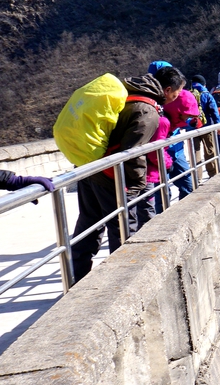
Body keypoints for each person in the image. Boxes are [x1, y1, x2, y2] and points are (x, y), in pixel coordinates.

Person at [71, 69, 183, 281]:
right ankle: (121, 282)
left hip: (90, 167)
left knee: (88, 225)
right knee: (122, 230)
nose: (175, 99)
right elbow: (133, 152)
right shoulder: (147, 112)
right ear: (167, 90)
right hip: (111, 176)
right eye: (176, 94)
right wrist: (137, 185)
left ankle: (77, 278)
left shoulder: (128, 95)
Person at [163, 68, 201, 201]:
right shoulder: (161, 118)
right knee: (161, 195)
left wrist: (193, 122)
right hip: (161, 159)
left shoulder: (179, 103)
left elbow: (184, 118)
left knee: (189, 186)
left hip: (176, 151)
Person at [136, 114, 173, 225]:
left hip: (146, 170)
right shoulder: (162, 121)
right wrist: (168, 164)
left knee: (147, 207)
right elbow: (155, 152)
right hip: (147, 172)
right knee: (147, 210)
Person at [190, 75, 220, 178]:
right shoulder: (206, 94)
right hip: (207, 126)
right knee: (209, 150)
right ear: (204, 84)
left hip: (192, 127)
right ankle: (212, 173)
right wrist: (218, 125)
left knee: (195, 152)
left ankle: (197, 177)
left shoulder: (188, 95)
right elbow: (214, 111)